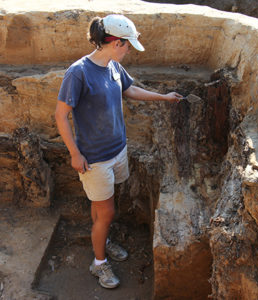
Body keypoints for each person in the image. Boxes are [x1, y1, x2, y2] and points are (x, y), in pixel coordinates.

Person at [55, 14, 182, 289]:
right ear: (114, 42)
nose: (129, 51)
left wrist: (163, 98)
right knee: (108, 212)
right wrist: (75, 154)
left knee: (102, 209)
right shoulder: (78, 73)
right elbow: (60, 115)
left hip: (117, 150)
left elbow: (130, 90)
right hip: (94, 159)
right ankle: (98, 263)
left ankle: (103, 240)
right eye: (127, 46)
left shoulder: (113, 66)